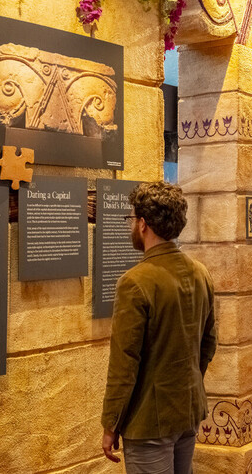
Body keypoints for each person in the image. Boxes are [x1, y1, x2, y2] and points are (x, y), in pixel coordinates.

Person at [101, 182, 217, 473]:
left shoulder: (135, 282)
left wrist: (111, 423)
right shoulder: (200, 273)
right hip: (187, 410)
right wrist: (188, 386)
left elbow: (124, 364)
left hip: (149, 420)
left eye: (132, 219)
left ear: (142, 224)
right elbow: (209, 343)